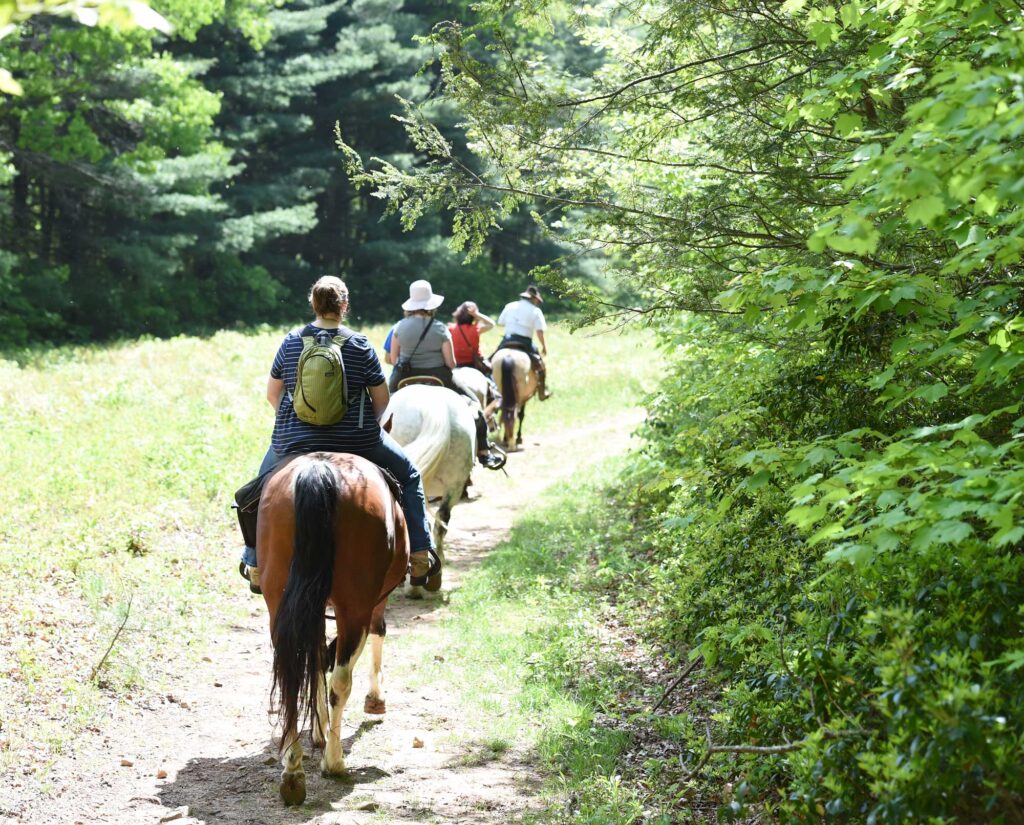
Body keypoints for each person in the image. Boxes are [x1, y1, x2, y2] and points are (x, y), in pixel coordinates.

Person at [237, 275, 437, 593]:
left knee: (257, 491)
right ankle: (420, 554)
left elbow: (273, 394)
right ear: (344, 306)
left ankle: (254, 561)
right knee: (410, 475)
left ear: (313, 304)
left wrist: (296, 424)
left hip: (294, 440)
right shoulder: (359, 343)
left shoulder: (290, 341)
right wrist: (361, 429)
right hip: (357, 440)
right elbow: (382, 400)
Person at [389, 280, 504, 470]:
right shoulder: (441, 328)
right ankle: (484, 452)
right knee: (474, 403)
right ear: (431, 305)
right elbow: (451, 363)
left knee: (377, 407)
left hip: (404, 377)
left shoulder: (399, 327)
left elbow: (394, 360)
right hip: (439, 376)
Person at [494, 285, 552, 400]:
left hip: (508, 339)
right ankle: (542, 391)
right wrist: (544, 346)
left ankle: (491, 385)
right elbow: (539, 332)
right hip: (525, 342)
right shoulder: (536, 311)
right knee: (540, 366)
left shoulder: (509, 306)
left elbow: (500, 322)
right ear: (534, 298)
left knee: (491, 360)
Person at [449, 300, 501, 415]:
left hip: (456, 366)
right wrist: (477, 315)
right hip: (474, 365)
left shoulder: (451, 329)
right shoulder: (475, 329)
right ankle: (495, 402)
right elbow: (491, 324)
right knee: (492, 384)